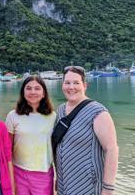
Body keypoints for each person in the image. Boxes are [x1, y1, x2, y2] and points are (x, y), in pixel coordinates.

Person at [53, 66, 119, 195]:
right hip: (64, 183)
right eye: (67, 83)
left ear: (85, 85)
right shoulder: (61, 110)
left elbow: (112, 149)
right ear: (63, 85)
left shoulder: (98, 112)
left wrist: (108, 189)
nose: (71, 87)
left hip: (88, 185)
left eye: (76, 83)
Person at [6, 76, 56, 195]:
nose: (33, 92)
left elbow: (56, 148)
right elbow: (8, 148)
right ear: (23, 92)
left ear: (44, 93)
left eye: (37, 88)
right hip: (18, 172)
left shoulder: (53, 116)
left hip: (43, 173)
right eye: (28, 88)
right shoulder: (13, 116)